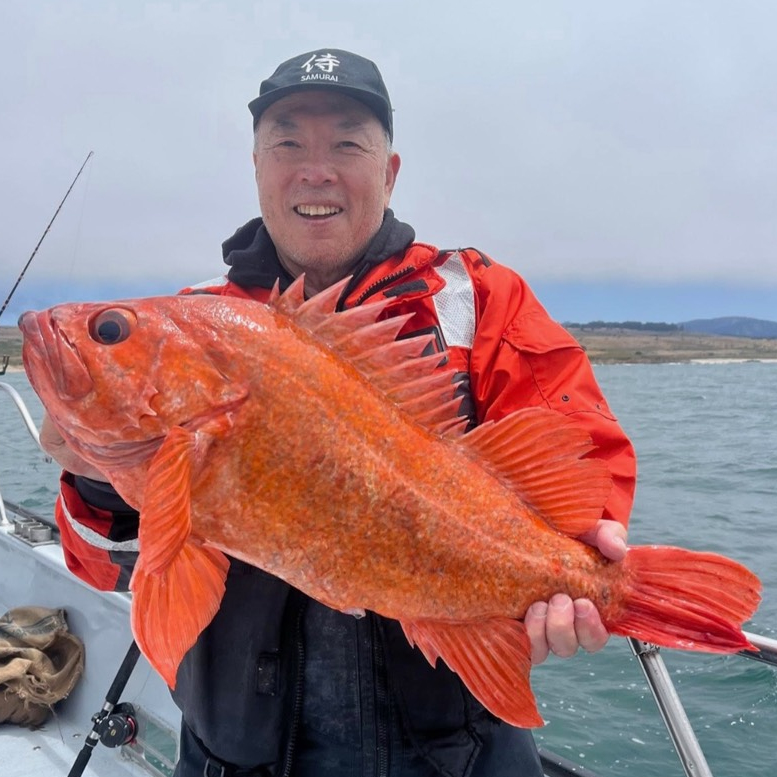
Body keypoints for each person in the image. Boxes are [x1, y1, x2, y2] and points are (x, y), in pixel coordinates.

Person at [41, 49, 636, 777]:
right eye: (287, 142)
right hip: (236, 756)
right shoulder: (198, 319)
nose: (314, 170)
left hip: (456, 758)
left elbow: (578, 460)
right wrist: (104, 471)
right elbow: (104, 567)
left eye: (346, 143)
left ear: (388, 171)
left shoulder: (476, 297)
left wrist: (584, 565)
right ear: (257, 167)